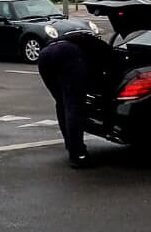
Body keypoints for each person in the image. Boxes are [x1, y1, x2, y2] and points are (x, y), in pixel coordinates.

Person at [37, 28, 116, 168]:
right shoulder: (107, 53)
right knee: (74, 105)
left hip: (45, 54)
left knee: (62, 103)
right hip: (68, 54)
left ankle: (71, 145)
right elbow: (104, 77)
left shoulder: (85, 41)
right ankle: (78, 155)